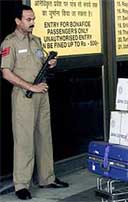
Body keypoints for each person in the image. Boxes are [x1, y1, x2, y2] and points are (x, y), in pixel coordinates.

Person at [0, 4, 68, 200]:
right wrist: (31, 87)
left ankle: (47, 178)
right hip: (24, 97)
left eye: (33, 19)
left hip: (42, 94)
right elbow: (6, 73)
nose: (32, 23)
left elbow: (39, 63)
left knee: (44, 137)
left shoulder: (37, 41)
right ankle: (21, 184)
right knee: (24, 141)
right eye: (28, 19)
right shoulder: (9, 43)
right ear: (17, 21)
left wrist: (50, 63)